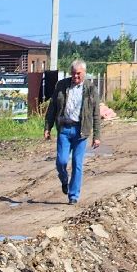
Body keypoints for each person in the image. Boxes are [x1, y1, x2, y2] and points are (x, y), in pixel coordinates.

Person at [44, 60, 102, 206]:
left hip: (81, 131)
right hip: (64, 129)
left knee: (77, 163)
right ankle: (64, 179)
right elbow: (52, 108)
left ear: (84, 73)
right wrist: (47, 127)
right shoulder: (61, 86)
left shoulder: (90, 88)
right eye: (73, 73)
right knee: (61, 161)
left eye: (78, 74)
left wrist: (97, 136)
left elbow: (96, 113)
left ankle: (73, 195)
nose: (75, 76)